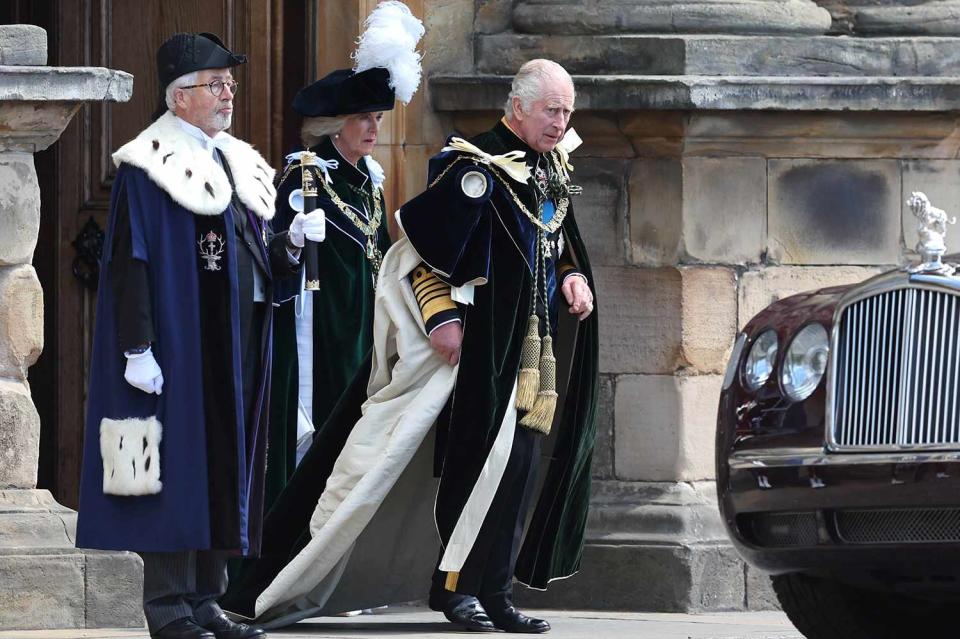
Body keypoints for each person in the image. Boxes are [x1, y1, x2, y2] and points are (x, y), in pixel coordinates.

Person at [222, 57, 598, 636]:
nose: (560, 121)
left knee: (518, 471)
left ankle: (496, 591)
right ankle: (454, 590)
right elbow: (420, 253)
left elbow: (557, 239)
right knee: (473, 470)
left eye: (567, 111)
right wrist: (442, 318)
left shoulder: (550, 168)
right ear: (518, 106)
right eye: (552, 110)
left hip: (529, 349)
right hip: (476, 352)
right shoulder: (472, 166)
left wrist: (572, 275)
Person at [74, 32, 324, 639]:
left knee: (224, 463)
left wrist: (288, 244)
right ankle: (168, 607)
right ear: (180, 97)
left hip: (234, 344)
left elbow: (254, 256)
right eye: (216, 84)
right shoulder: (146, 163)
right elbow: (131, 261)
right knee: (175, 471)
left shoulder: (233, 160)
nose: (228, 94)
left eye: (230, 84)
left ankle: (209, 598)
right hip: (178, 347)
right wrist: (137, 347)